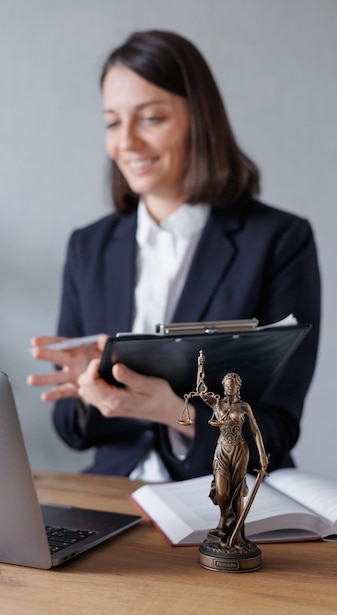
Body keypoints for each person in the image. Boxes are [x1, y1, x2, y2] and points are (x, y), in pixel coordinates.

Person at [27, 30, 321, 482]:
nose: (126, 142)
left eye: (150, 119)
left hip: (224, 498)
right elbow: (70, 429)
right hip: (114, 494)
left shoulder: (279, 240)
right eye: (112, 122)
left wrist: (175, 412)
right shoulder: (89, 246)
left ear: (199, 120)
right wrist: (90, 391)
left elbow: (276, 430)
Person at [198, 370, 269, 545]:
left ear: (238, 386)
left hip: (239, 450)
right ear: (223, 386)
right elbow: (200, 390)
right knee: (222, 491)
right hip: (222, 449)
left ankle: (237, 534)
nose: (230, 387)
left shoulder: (244, 407)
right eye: (227, 384)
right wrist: (200, 367)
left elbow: (255, 430)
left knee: (237, 493)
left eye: (233, 384)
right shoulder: (217, 404)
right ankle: (225, 520)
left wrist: (262, 454)